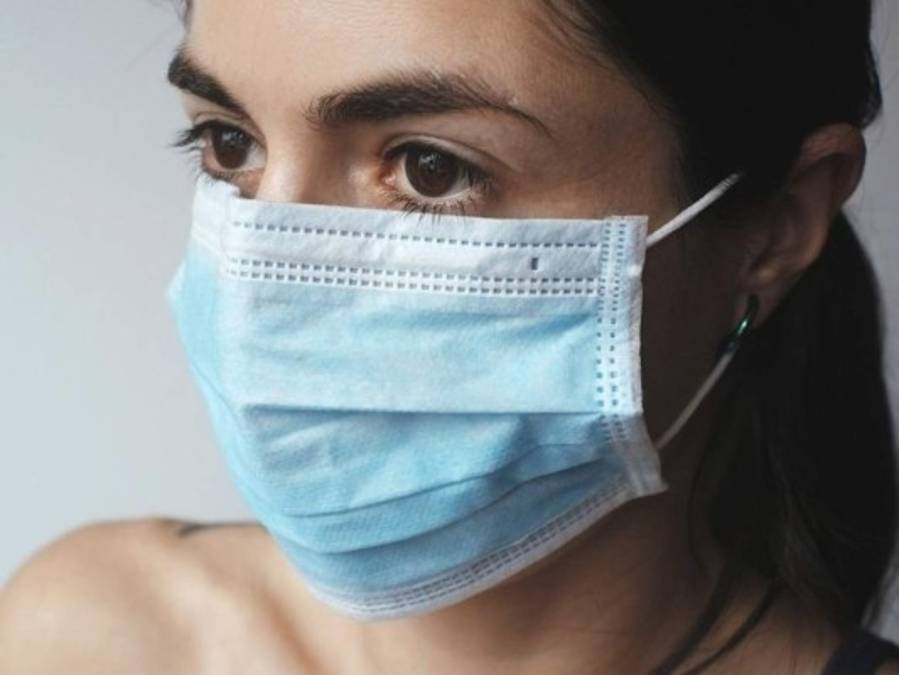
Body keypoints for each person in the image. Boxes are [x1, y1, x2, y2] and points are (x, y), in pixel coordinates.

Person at [2, 1, 898, 673]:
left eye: (429, 168)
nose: (260, 285)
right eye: (230, 144)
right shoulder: (86, 635)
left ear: (773, 227)